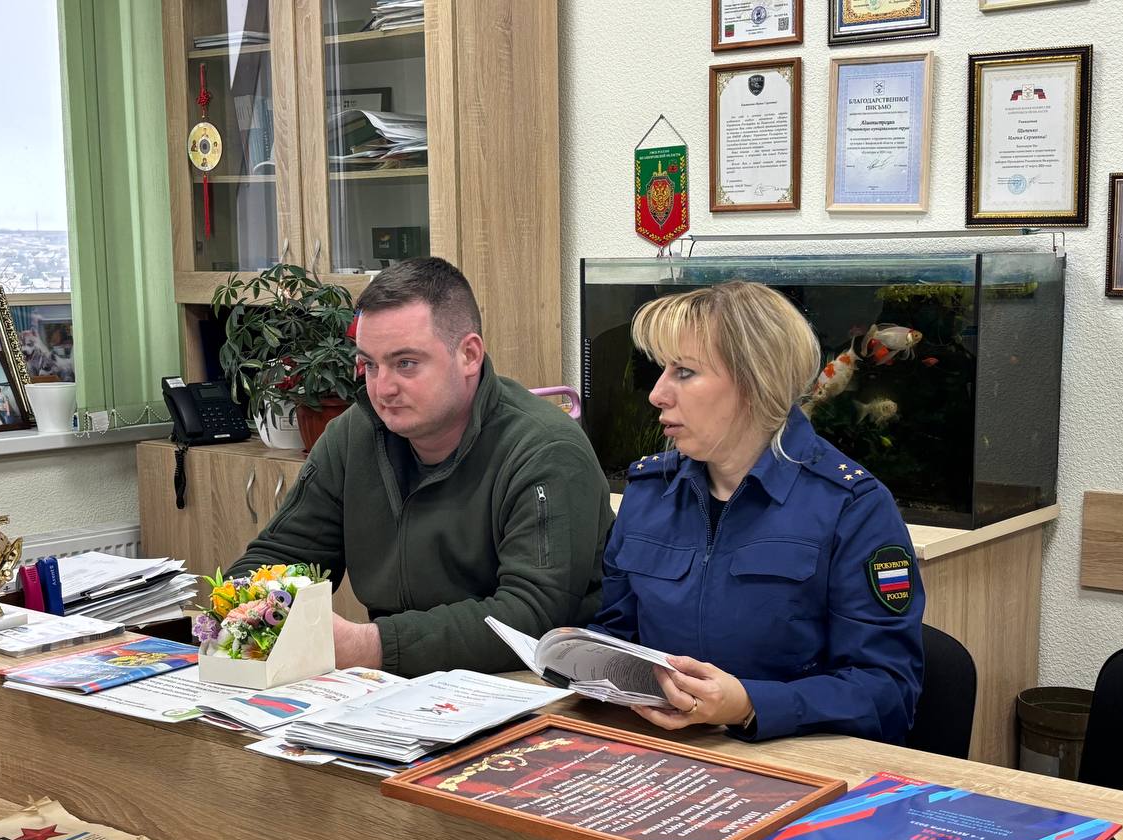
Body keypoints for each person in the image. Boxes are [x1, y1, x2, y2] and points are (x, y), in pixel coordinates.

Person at [229, 257, 614, 676]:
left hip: (529, 686)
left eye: (406, 363)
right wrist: (241, 609)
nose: (382, 388)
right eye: (370, 365)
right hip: (396, 684)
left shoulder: (545, 449)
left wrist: (370, 645)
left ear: (469, 355)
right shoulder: (353, 434)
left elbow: (533, 615)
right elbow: (281, 555)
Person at [589, 281, 924, 744]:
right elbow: (617, 632)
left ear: (755, 380)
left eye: (684, 372)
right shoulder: (650, 491)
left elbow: (889, 691)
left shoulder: (853, 507)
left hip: (791, 760)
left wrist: (749, 705)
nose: (657, 394)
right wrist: (580, 654)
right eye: (661, 369)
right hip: (660, 751)